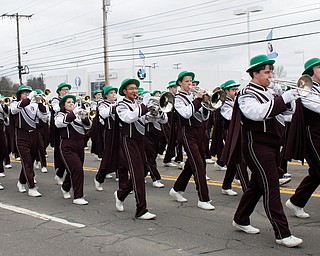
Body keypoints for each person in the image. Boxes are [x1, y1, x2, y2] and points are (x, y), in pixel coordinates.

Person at [224, 54, 302, 248]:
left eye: (271, 72)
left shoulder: (269, 91)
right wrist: (282, 98)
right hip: (256, 145)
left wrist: (289, 97)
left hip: (273, 144)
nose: (270, 75)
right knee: (271, 187)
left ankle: (240, 218)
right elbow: (258, 114)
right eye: (266, 72)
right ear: (255, 73)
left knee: (257, 186)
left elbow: (288, 114)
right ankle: (282, 233)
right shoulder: (246, 93)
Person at [169, 71, 215, 210]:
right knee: (199, 165)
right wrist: (199, 100)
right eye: (187, 81)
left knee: (192, 163)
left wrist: (207, 104)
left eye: (191, 81)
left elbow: (203, 117)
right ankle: (203, 199)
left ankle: (176, 189)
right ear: (180, 83)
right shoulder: (178, 98)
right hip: (187, 132)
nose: (190, 83)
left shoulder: (194, 96)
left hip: (199, 130)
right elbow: (187, 113)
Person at [114, 78, 156, 220]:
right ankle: (141, 209)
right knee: (137, 173)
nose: (134, 91)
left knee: (143, 171)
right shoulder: (121, 105)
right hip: (128, 140)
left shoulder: (137, 104)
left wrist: (157, 115)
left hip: (140, 140)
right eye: (131, 88)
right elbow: (129, 118)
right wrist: (144, 105)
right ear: (125, 91)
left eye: (135, 88)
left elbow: (144, 120)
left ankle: (120, 194)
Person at [285, 57, 320, 219]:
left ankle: (296, 202)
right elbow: (316, 106)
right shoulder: (305, 88)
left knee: (316, 173)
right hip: (312, 134)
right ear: (311, 71)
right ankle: (296, 202)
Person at [11, 85, 49, 197]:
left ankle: (21, 181)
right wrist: (30, 97)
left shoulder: (34, 105)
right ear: (19, 95)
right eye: (24, 93)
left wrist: (40, 103)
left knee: (30, 161)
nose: (27, 94)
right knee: (27, 162)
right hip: (22, 136)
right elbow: (15, 110)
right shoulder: (15, 104)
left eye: (28, 92)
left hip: (34, 135)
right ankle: (32, 187)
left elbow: (44, 117)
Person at [55, 94, 92, 205]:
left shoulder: (78, 114)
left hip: (80, 145)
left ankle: (65, 187)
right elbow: (60, 124)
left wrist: (85, 118)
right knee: (77, 170)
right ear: (63, 105)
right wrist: (74, 113)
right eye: (69, 102)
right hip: (67, 145)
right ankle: (78, 196)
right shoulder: (60, 115)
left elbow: (88, 127)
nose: (71, 104)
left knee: (75, 169)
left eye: (72, 102)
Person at [218, 80, 249, 195]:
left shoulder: (234, 101)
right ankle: (247, 189)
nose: (235, 92)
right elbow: (230, 116)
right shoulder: (224, 103)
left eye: (236, 90)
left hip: (238, 131)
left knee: (234, 159)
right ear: (226, 91)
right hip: (229, 132)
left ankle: (226, 186)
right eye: (233, 90)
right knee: (240, 158)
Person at [94, 85, 118, 191]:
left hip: (119, 133)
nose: (114, 94)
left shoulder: (116, 103)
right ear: (106, 95)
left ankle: (123, 183)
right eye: (111, 92)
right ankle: (99, 178)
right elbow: (103, 114)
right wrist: (117, 106)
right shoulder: (102, 104)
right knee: (107, 157)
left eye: (114, 92)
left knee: (121, 158)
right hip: (109, 133)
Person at [51, 82, 71, 185]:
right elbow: (56, 108)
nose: (66, 91)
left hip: (71, 129)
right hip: (59, 129)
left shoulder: (70, 100)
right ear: (59, 91)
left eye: (67, 90)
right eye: (64, 90)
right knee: (61, 153)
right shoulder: (55, 100)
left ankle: (62, 173)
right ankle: (59, 173)